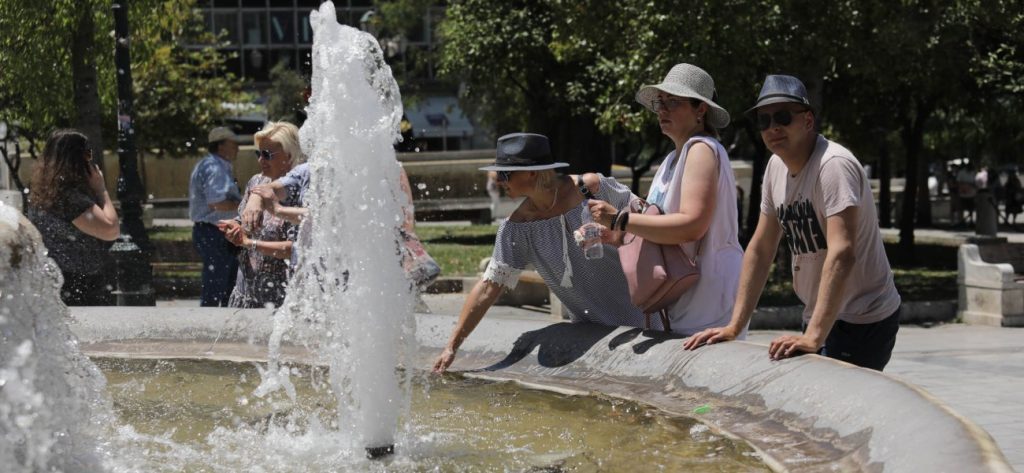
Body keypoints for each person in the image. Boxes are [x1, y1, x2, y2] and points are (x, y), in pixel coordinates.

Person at [684, 75, 902, 372]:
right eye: (764, 120)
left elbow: (843, 252)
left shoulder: (833, 166)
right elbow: (761, 249)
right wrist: (734, 325)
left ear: (808, 120)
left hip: (863, 318)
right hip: (820, 315)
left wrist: (813, 336)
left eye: (783, 117)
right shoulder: (775, 167)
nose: (773, 128)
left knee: (835, 410)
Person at [433, 133, 647, 373]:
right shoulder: (517, 227)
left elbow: (650, 221)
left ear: (532, 173)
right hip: (592, 330)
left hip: (650, 313)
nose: (499, 181)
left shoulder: (592, 189)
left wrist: (617, 232)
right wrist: (452, 345)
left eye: (504, 174)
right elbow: (488, 286)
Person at [587, 63, 743, 335]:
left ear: (700, 110)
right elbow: (658, 226)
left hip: (706, 296)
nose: (662, 110)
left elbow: (691, 226)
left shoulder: (701, 150)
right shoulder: (673, 159)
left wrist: (621, 220)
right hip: (682, 291)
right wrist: (616, 233)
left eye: (673, 102)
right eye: (660, 102)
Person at [26, 129, 120, 306]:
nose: (91, 160)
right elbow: (111, 229)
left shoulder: (41, 194)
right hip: (81, 285)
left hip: (53, 280)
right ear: (76, 159)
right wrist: (102, 190)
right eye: (88, 154)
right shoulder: (71, 199)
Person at [220, 122, 301, 308]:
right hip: (245, 295)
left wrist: (250, 244)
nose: (260, 160)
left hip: (280, 302)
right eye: (259, 153)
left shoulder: (300, 193)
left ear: (289, 156)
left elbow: (296, 249)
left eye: (267, 155)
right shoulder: (257, 182)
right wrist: (234, 227)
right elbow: (243, 220)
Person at [189, 126, 242, 307]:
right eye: (233, 144)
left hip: (212, 232)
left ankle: (220, 326)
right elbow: (216, 202)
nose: (238, 148)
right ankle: (210, 327)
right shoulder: (214, 168)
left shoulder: (214, 166)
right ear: (221, 146)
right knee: (216, 287)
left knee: (226, 285)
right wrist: (244, 206)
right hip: (214, 233)